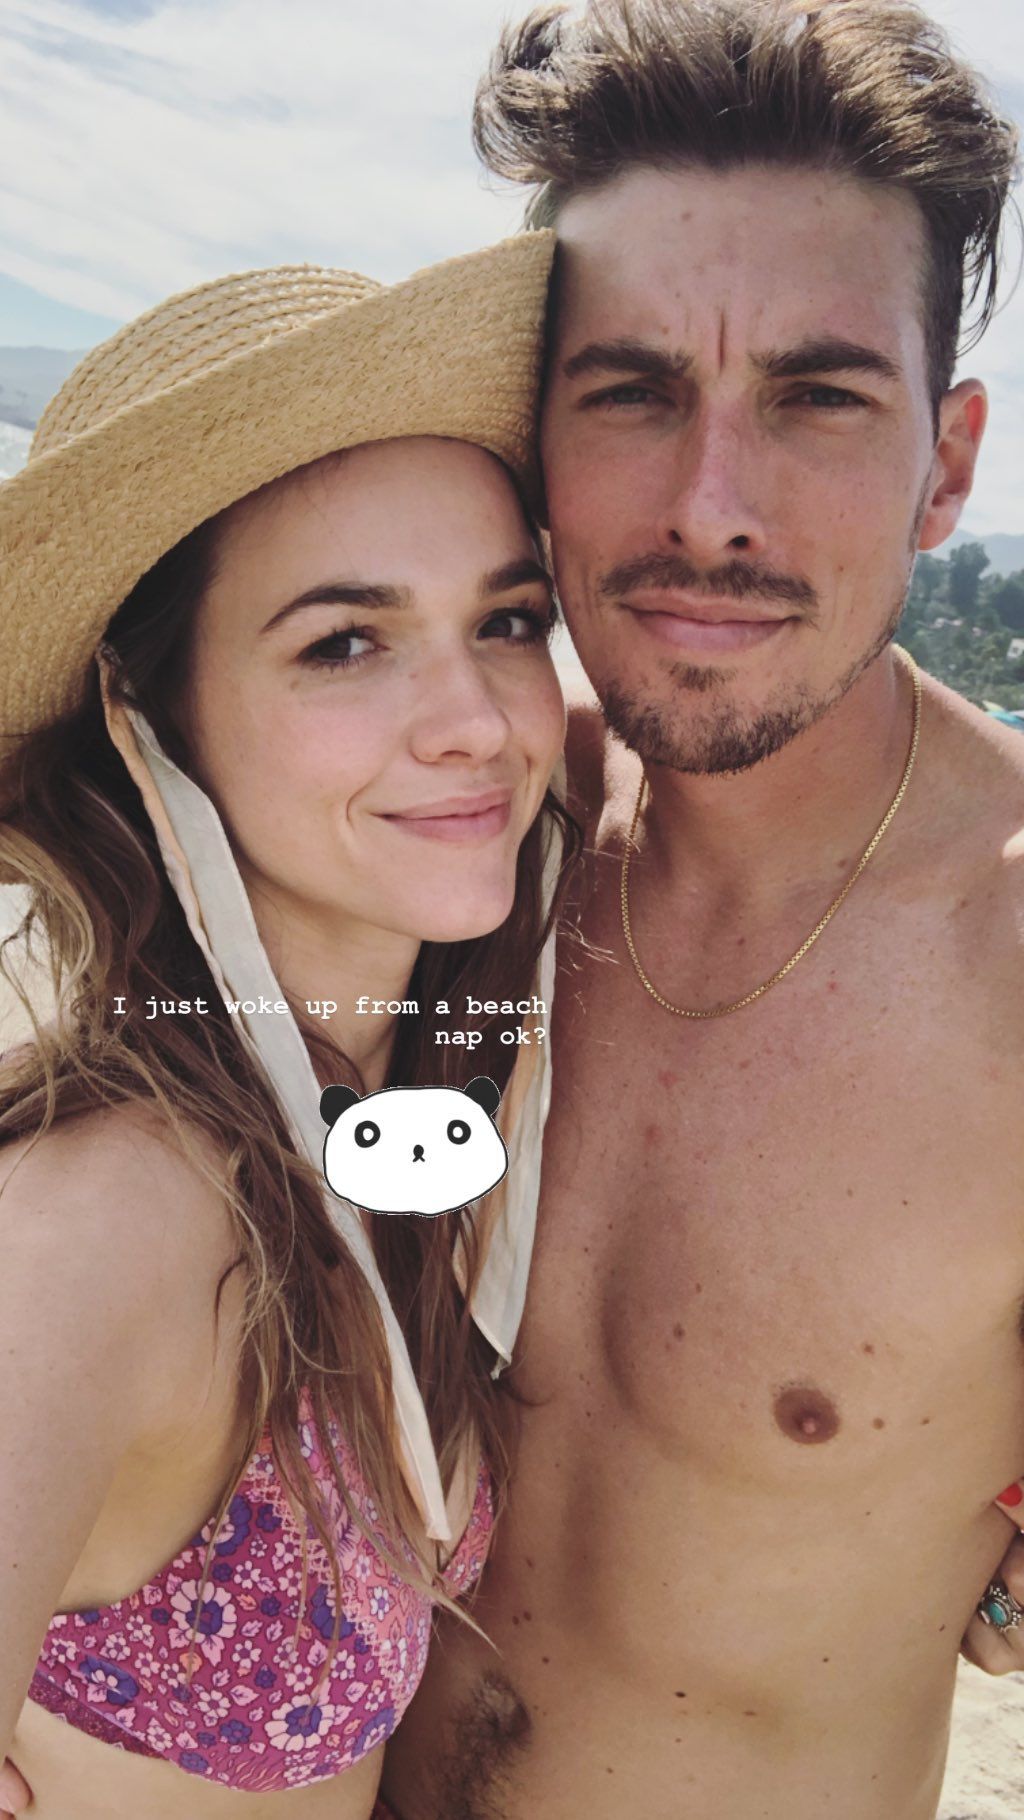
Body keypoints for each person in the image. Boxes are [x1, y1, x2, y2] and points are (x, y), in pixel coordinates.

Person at [378, 4, 1024, 1818]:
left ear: (946, 466)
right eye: (632, 390)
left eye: (817, 396)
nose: (710, 508)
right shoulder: (450, 827)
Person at [0, 236, 581, 1819]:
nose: (477, 722)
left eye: (509, 621)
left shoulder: (403, 1104)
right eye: (345, 641)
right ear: (148, 709)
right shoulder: (103, 1223)